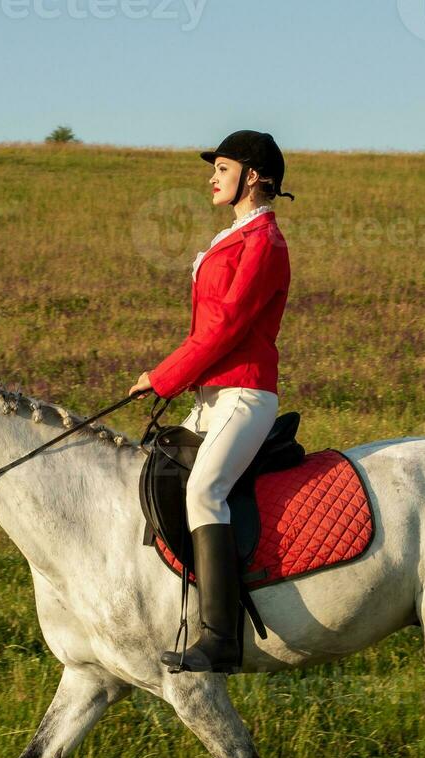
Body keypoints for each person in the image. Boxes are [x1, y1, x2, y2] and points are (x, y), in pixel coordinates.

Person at [128, 130, 295, 674]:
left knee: (205, 490)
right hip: (210, 396)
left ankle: (222, 636)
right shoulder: (234, 238)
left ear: (251, 176)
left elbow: (225, 328)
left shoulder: (264, 243)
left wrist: (164, 376)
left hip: (245, 395)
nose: (211, 177)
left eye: (222, 168)